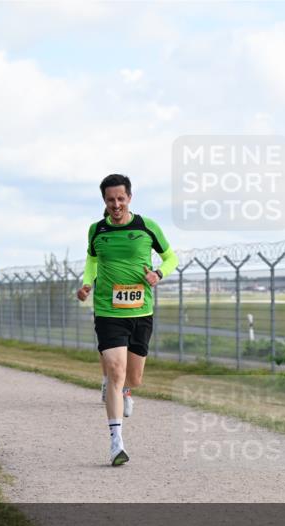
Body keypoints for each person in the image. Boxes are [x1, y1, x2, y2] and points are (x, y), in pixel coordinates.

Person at [76, 174, 178, 466]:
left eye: (121, 199)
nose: (116, 205)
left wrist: (158, 274)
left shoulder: (147, 226)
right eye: (110, 200)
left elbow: (171, 257)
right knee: (116, 371)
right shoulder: (96, 230)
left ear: (129, 198)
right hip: (108, 310)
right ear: (104, 201)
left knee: (133, 378)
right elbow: (92, 260)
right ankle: (116, 442)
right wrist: (86, 284)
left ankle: (124, 389)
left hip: (141, 311)